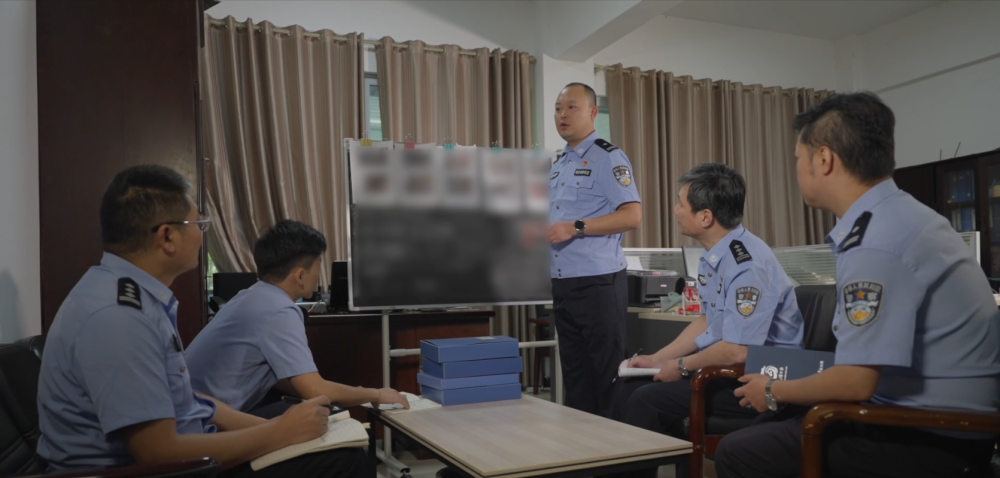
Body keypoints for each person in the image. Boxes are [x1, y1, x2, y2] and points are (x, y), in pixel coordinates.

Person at [714, 92, 1000, 478]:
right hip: (930, 421)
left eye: (798, 158)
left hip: (933, 437)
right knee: (769, 426)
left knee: (739, 452)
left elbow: (855, 382)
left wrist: (772, 389)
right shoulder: (899, 215)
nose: (797, 170)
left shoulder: (876, 241)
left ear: (824, 159)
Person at [36, 165, 371, 477]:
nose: (201, 235)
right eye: (198, 225)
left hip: (192, 439)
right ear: (167, 237)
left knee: (321, 430)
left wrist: (271, 428)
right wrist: (280, 433)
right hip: (162, 469)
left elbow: (190, 401)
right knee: (347, 458)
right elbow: (159, 453)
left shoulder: (134, 297)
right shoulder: (118, 318)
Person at [613, 163, 804, 478]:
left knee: (646, 400)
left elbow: (737, 350)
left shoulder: (747, 265)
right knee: (628, 386)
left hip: (759, 378)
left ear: (705, 217)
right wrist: (657, 359)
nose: (675, 210)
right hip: (725, 369)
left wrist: (680, 366)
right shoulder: (716, 255)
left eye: (680, 203)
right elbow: (707, 322)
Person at [186, 220, 409, 417]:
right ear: (301, 275)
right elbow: (315, 390)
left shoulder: (251, 295)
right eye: (318, 268)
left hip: (194, 412)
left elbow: (293, 382)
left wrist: (356, 394)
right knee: (331, 421)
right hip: (207, 424)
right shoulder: (280, 311)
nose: (318, 277)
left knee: (319, 407)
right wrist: (375, 394)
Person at [549, 82, 642, 418]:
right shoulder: (560, 163)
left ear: (592, 112)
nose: (562, 115)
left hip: (598, 283)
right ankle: (582, 447)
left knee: (607, 377)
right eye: (558, 108)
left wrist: (576, 227)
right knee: (576, 378)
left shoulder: (608, 157)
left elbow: (632, 216)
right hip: (563, 282)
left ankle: (615, 449)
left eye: (571, 107)